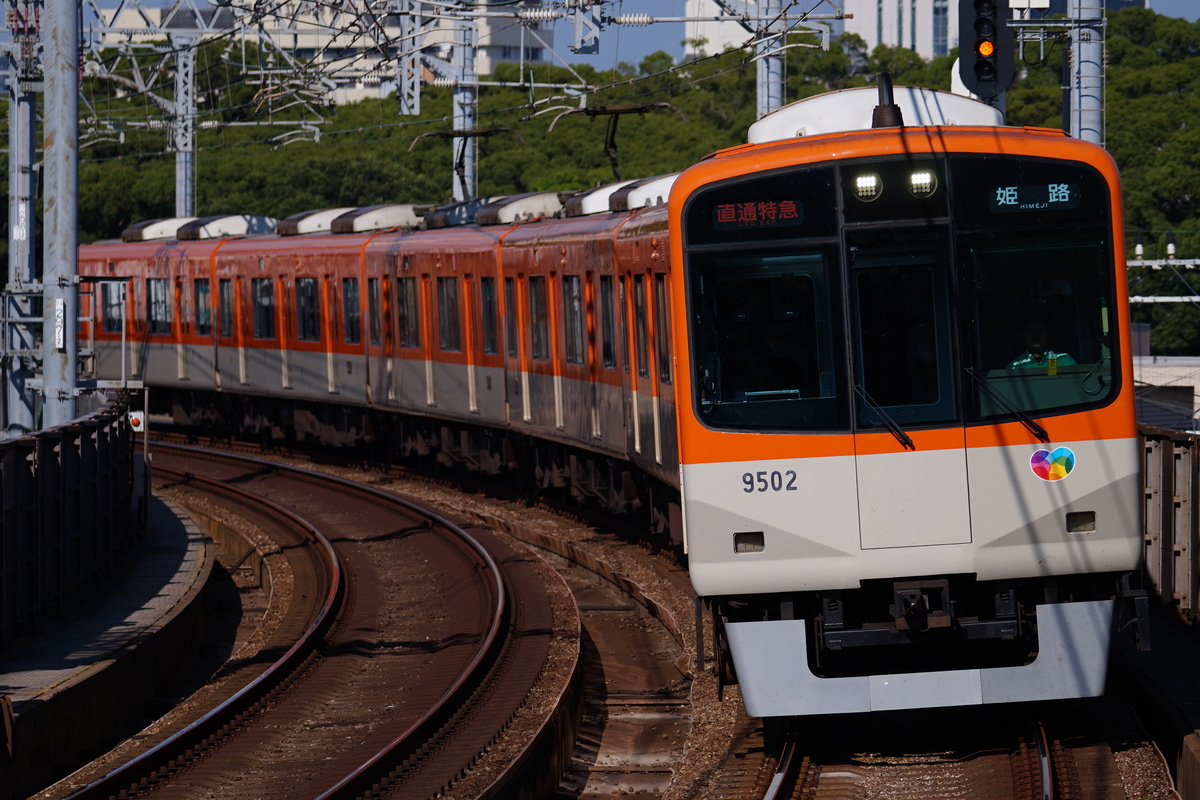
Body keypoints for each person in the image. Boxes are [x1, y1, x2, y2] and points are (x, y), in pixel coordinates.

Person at [1007, 318, 1076, 371]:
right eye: (1030, 330)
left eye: (1040, 329)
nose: (1035, 334)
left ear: (1047, 334)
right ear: (1023, 335)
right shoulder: (1014, 366)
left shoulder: (1064, 361)